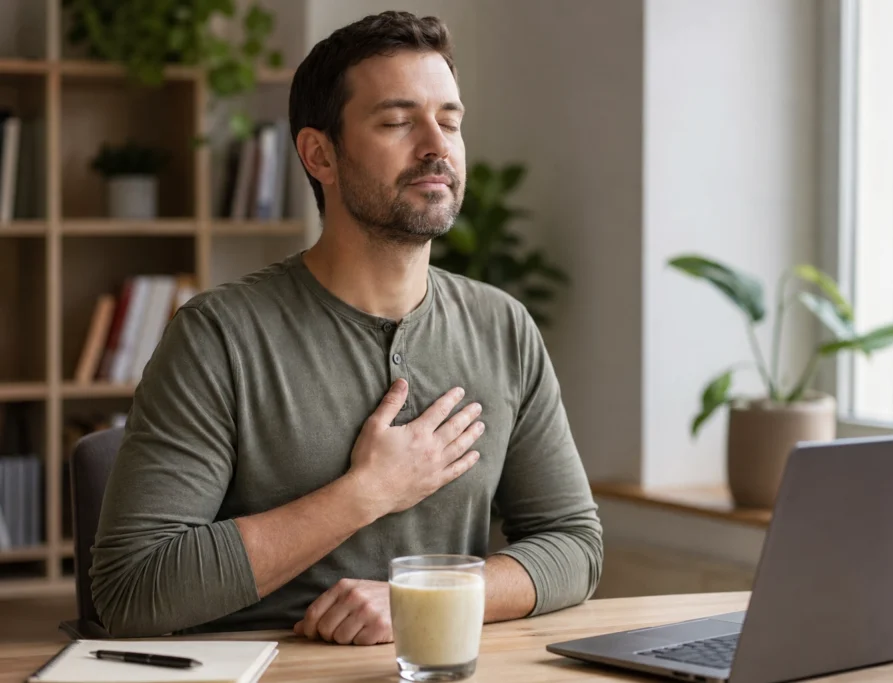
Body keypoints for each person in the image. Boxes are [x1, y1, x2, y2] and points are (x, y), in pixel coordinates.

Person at [90, 10, 603, 645]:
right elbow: (132, 589)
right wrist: (367, 493)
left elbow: (574, 543)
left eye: (449, 121)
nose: (437, 146)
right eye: (397, 122)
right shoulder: (218, 336)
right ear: (320, 155)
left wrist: (430, 596)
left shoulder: (504, 326)